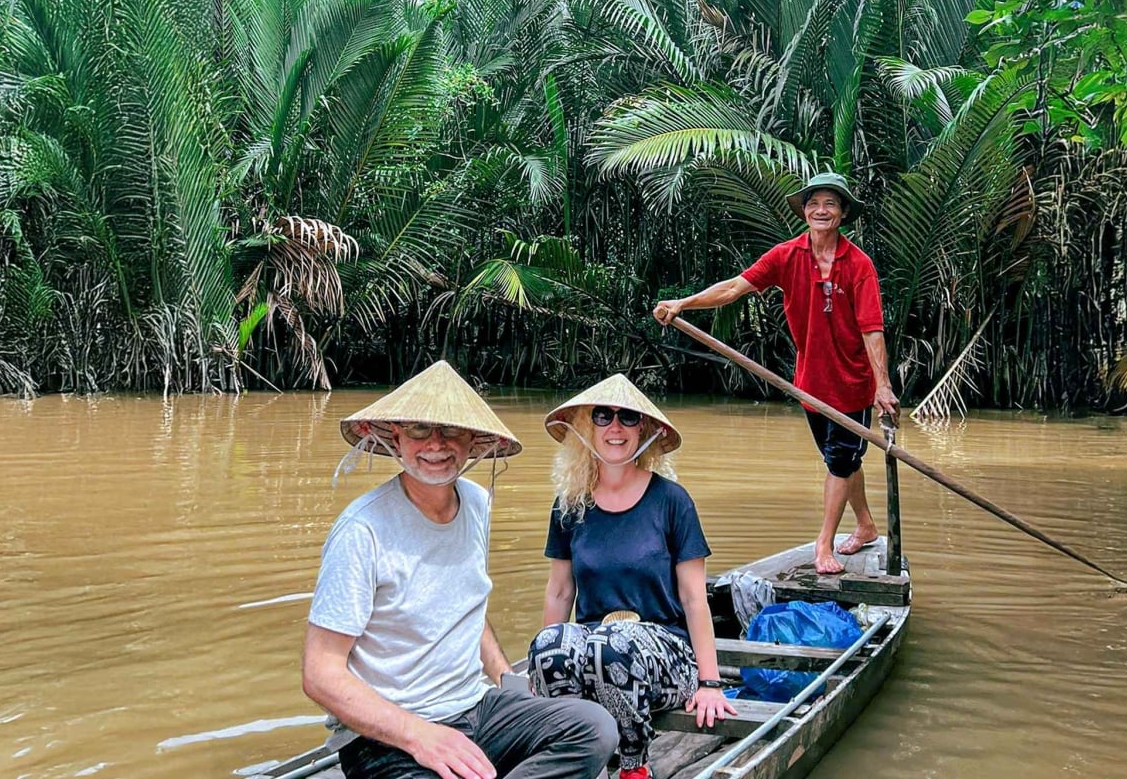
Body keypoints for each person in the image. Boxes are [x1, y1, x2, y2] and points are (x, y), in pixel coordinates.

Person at [302, 360, 618, 779]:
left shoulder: (476, 503)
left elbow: (467, 603)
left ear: (473, 441)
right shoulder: (362, 530)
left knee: (594, 728)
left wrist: (508, 680)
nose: (436, 444)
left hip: (474, 708)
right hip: (386, 739)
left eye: (451, 430)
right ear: (395, 437)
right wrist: (419, 735)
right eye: (419, 429)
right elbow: (320, 673)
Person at [652, 172, 899, 576]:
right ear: (804, 211)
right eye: (814, 203)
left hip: (853, 386)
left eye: (831, 204)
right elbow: (734, 288)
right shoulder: (787, 256)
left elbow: (872, 328)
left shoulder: (859, 265)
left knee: (839, 461)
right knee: (842, 459)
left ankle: (824, 544)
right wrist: (683, 303)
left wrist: (882, 386)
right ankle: (867, 525)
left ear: (842, 214)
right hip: (810, 384)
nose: (821, 210)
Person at [526, 375, 735, 779]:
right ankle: (576, 758)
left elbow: (694, 598)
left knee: (610, 647)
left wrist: (710, 682)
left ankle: (632, 767)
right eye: (603, 416)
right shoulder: (570, 505)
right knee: (549, 644)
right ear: (588, 426)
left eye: (628, 417)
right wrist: (544, 667)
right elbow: (559, 590)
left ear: (644, 429)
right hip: (595, 646)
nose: (615, 427)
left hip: (665, 652)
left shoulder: (672, 501)